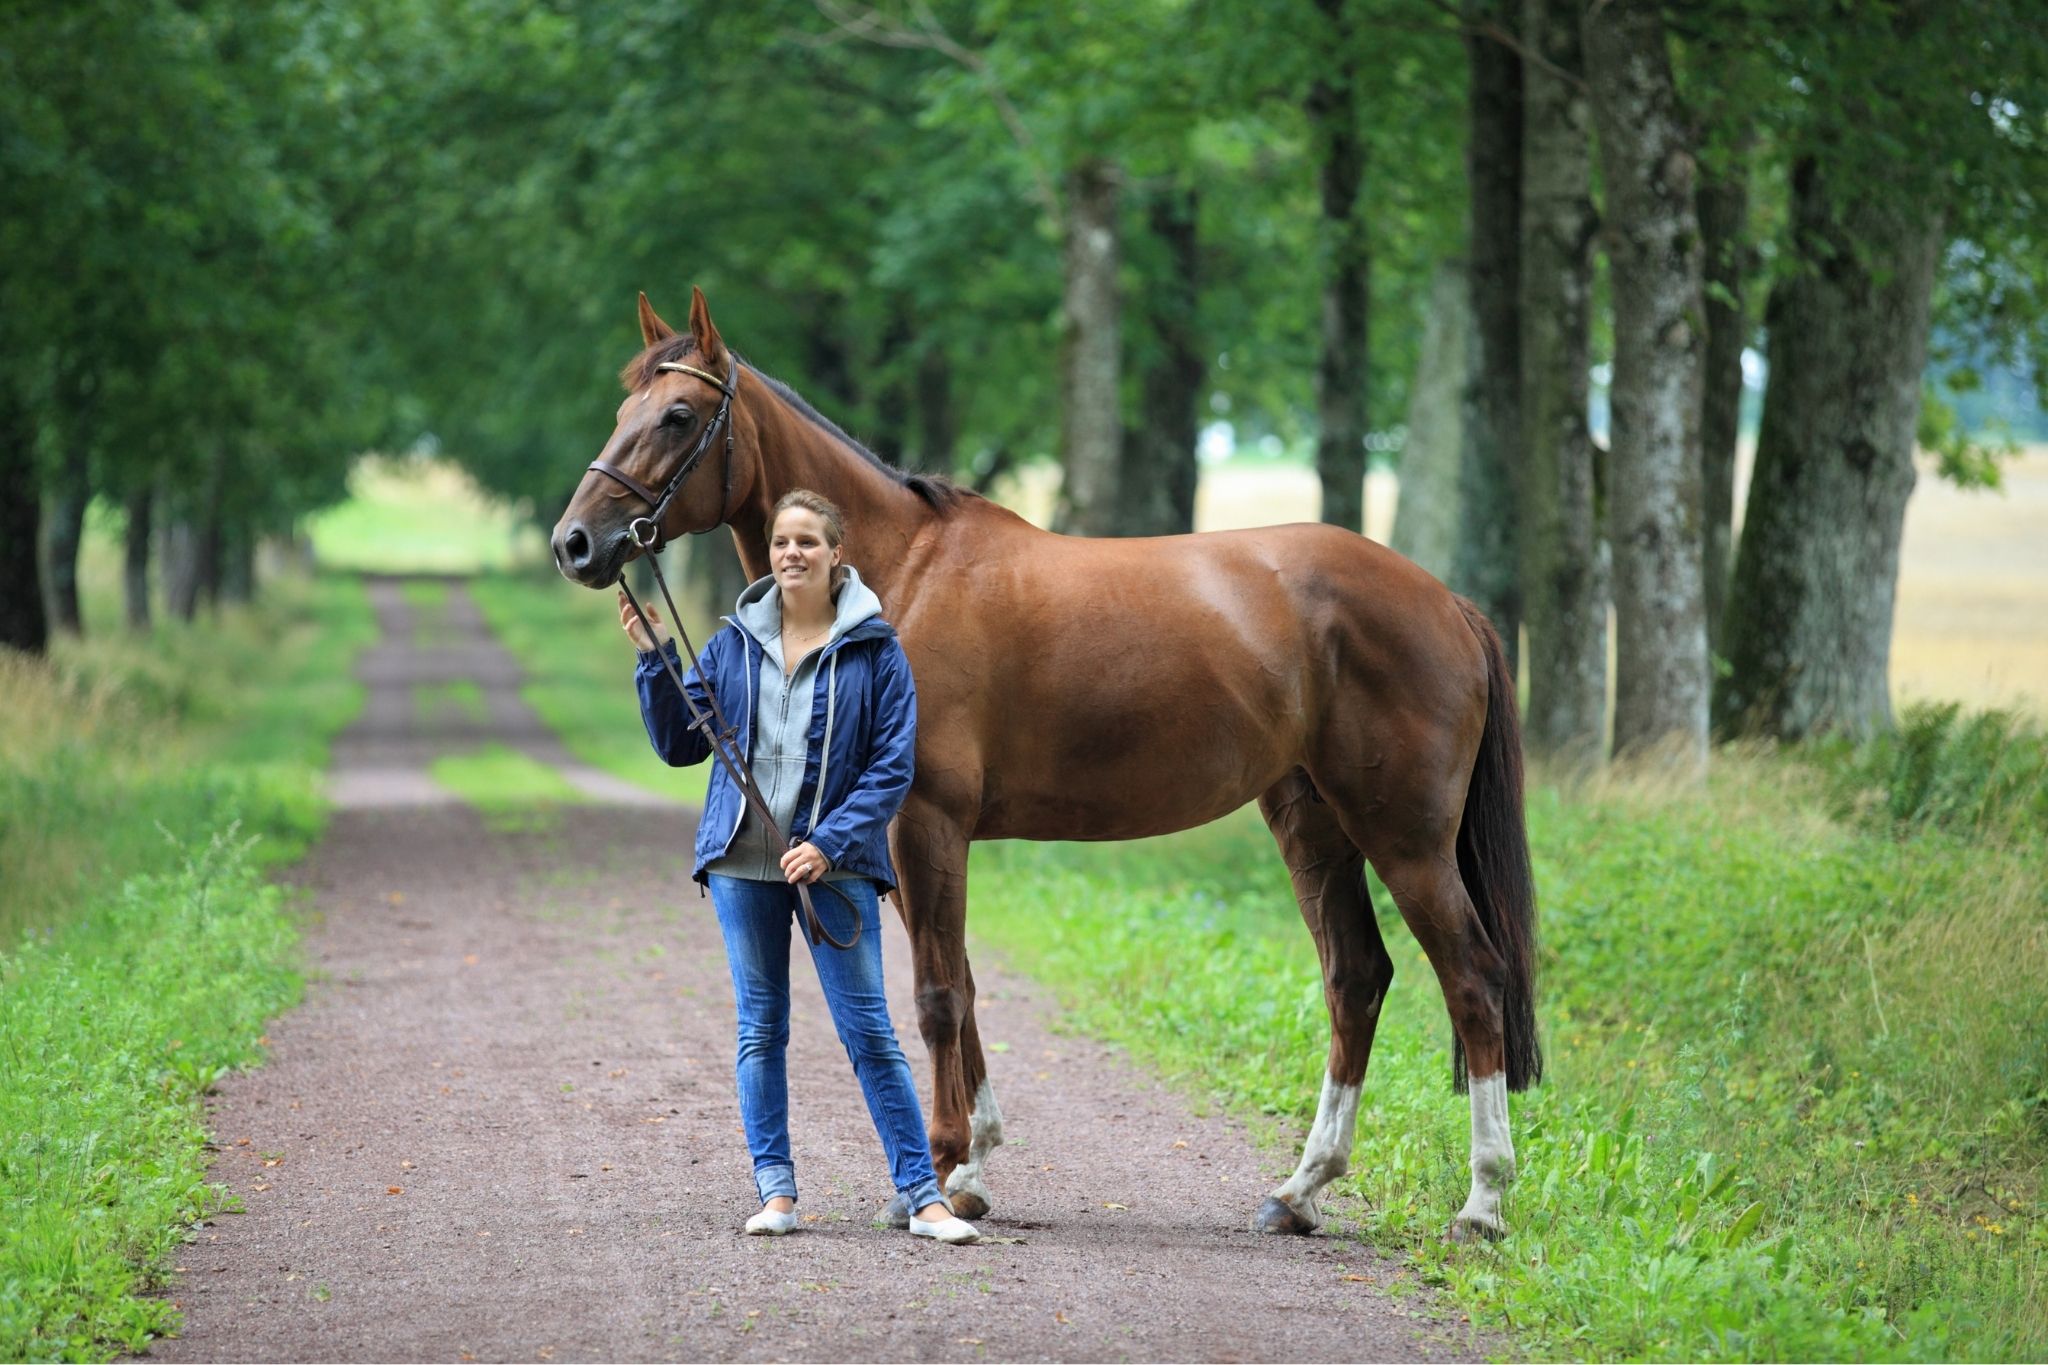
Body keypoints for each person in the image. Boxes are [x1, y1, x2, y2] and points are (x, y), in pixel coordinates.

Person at [618, 488, 978, 1245]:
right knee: (760, 1029)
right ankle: (776, 1192)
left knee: (870, 1031)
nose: (791, 553)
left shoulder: (876, 649)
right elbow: (683, 744)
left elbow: (891, 766)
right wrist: (656, 663)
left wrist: (833, 840)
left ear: (835, 552)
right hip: (742, 866)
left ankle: (924, 1196)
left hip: (836, 870)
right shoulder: (733, 643)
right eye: (782, 541)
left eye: (807, 541)